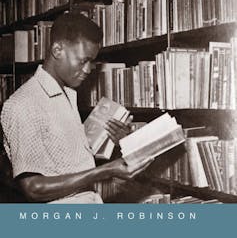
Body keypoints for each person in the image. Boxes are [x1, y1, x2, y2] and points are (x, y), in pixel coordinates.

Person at [0, 12, 151, 203]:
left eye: (92, 61)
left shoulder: (67, 95)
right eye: (82, 60)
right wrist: (106, 170)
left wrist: (119, 141)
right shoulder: (21, 105)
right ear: (57, 50)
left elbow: (69, 162)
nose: (88, 69)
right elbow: (33, 188)